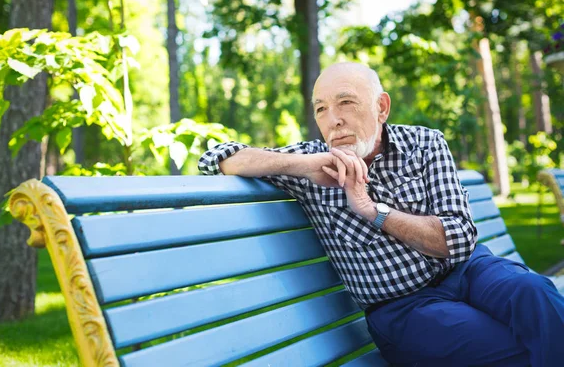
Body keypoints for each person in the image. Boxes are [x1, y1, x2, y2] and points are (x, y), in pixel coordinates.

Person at [198, 62, 564, 366]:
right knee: (506, 347)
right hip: (403, 309)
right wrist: (303, 165)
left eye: (346, 103)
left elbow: (457, 237)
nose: (333, 120)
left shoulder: (424, 143)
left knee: (538, 296)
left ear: (381, 107)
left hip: (470, 270)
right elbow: (214, 158)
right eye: (321, 108)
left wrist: (375, 211)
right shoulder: (309, 163)